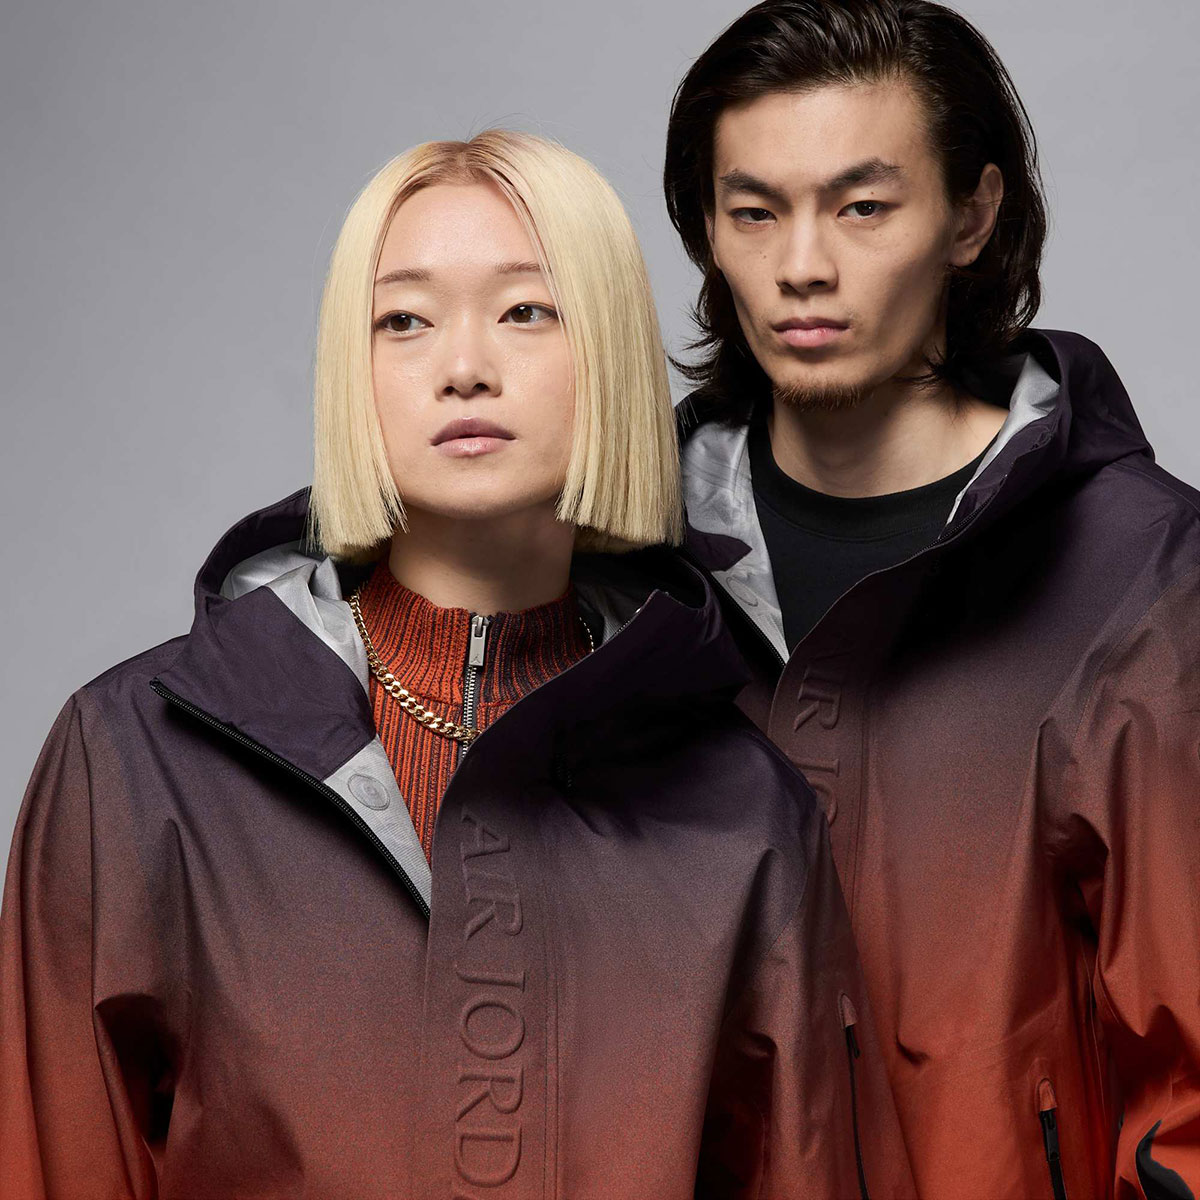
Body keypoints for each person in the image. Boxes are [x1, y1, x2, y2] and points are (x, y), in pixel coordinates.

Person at [0, 130, 912, 1198]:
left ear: (611, 353)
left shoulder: (744, 810)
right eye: (404, 319)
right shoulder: (132, 761)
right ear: (353, 371)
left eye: (526, 310)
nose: (464, 365)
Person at [665, 1, 1200, 1197]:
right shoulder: (629, 585)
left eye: (862, 207)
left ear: (971, 215)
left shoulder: (1147, 579)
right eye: (754, 212)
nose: (803, 265)